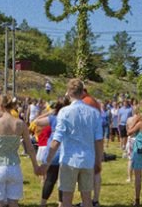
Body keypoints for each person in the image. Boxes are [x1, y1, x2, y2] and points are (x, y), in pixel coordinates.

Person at [42, 79, 103, 207]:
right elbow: (98, 140)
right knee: (87, 198)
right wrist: (98, 161)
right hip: (88, 159)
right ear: (82, 93)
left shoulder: (64, 112)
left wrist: (46, 162)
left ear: (69, 93)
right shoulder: (94, 113)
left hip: (69, 160)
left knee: (66, 198)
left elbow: (56, 140)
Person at [0, 94, 40, 207]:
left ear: (0, 106)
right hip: (14, 167)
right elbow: (30, 148)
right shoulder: (20, 124)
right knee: (13, 202)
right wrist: (35, 166)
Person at [34, 97, 70, 207]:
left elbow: (36, 122)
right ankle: (61, 204)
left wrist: (49, 113)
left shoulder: (54, 118)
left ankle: (43, 203)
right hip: (66, 150)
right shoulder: (69, 118)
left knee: (49, 179)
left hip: (53, 150)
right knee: (63, 181)